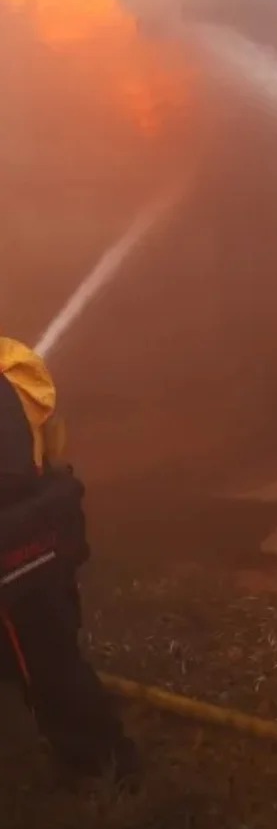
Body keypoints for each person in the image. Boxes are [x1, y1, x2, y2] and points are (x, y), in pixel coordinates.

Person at [0, 335, 138, 783]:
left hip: (20, 554)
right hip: (36, 538)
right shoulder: (12, 362)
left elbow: (11, 475)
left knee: (50, 664)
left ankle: (102, 766)